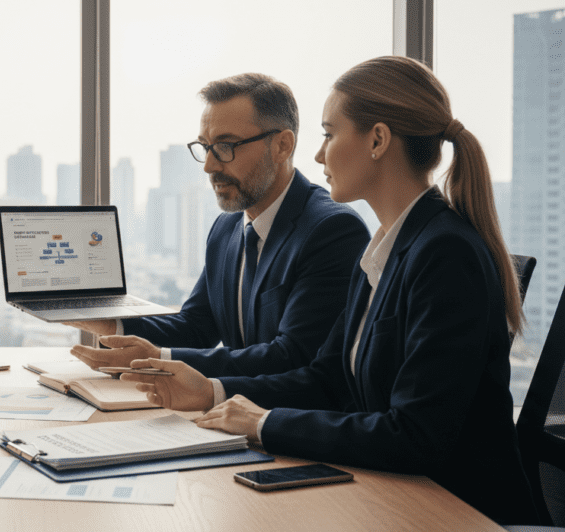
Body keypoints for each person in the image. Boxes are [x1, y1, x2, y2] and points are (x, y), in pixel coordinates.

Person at [122, 56, 539, 525]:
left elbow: (415, 434)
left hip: (457, 512)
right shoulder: (388, 245)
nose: (318, 155)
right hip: (390, 496)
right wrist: (215, 392)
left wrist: (263, 423)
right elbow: (327, 379)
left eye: (328, 133)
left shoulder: (444, 253)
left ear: (377, 140)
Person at [70, 73, 369, 379]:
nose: (210, 166)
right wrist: (110, 322)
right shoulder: (226, 229)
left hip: (285, 421)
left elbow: (293, 357)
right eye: (205, 147)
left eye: (225, 146)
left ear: (282, 146)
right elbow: (196, 328)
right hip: (228, 417)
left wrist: (160, 358)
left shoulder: (332, 232)